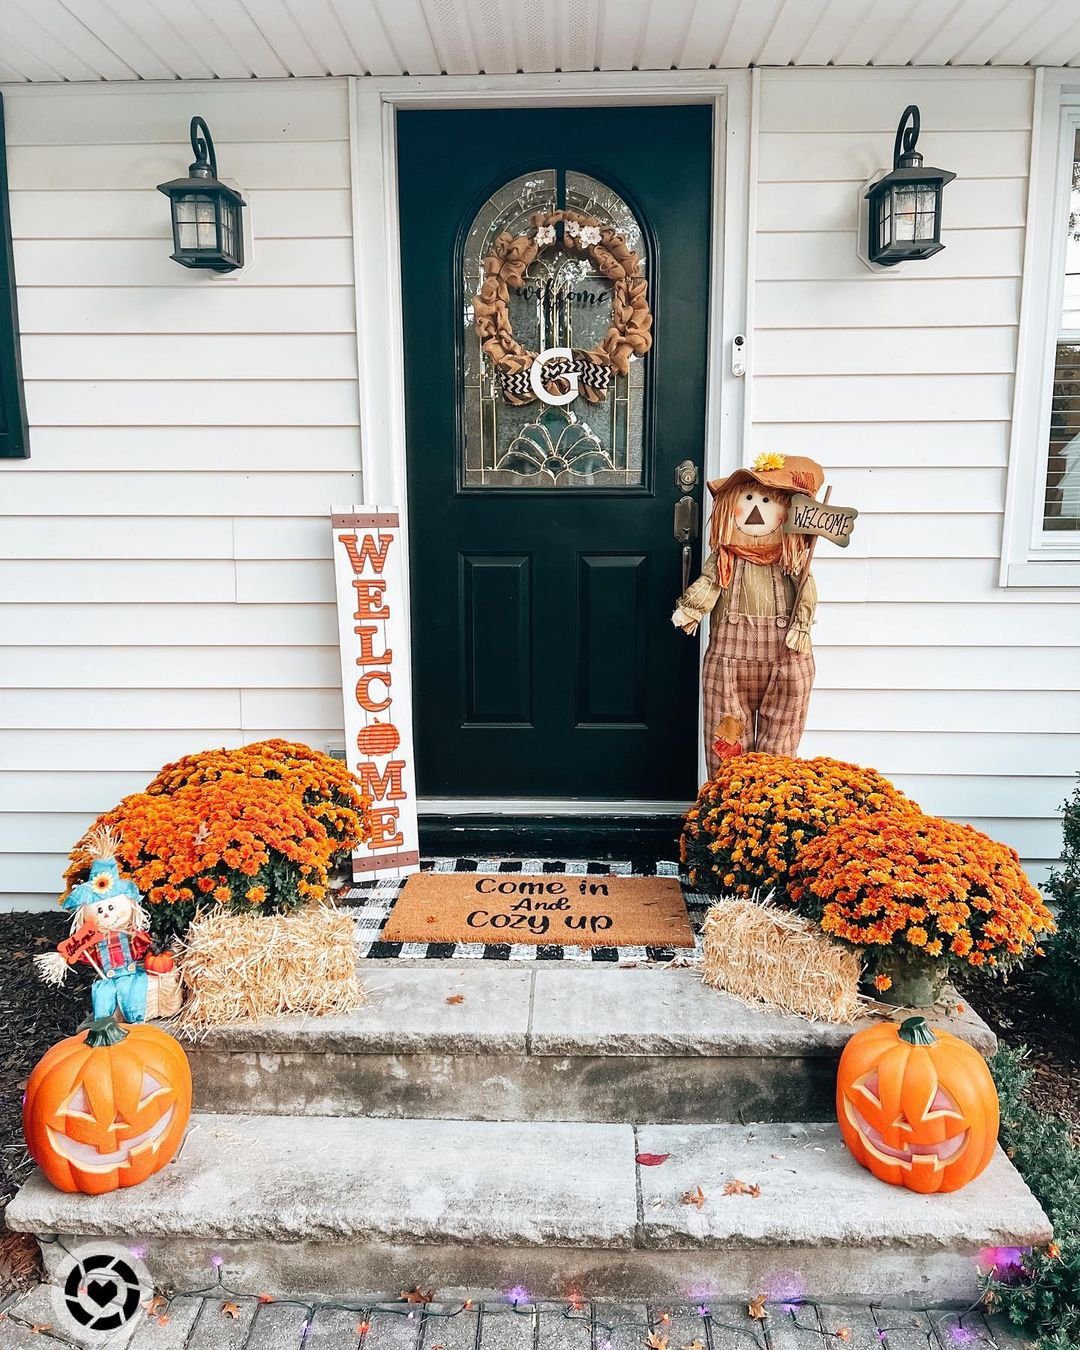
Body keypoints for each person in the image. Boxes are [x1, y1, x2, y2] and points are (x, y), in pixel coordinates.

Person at [673, 451, 824, 774]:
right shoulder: (726, 558)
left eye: (768, 502)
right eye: (749, 498)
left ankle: (768, 803)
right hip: (729, 662)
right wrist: (691, 609)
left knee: (781, 740)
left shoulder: (793, 559)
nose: (756, 508)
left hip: (786, 656)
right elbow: (710, 583)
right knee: (727, 736)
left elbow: (806, 593)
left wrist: (801, 625)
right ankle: (728, 801)